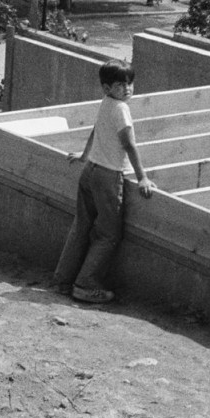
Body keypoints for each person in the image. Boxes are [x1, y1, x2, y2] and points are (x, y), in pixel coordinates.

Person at [52, 60, 155, 304]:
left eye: (130, 83)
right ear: (106, 88)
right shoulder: (121, 109)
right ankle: (85, 285)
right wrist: (142, 177)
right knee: (108, 235)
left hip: (91, 171)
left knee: (81, 226)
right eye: (120, 85)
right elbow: (129, 143)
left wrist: (85, 156)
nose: (127, 89)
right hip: (109, 176)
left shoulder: (107, 103)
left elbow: (96, 130)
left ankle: (63, 279)